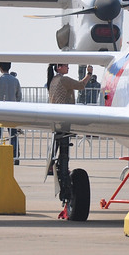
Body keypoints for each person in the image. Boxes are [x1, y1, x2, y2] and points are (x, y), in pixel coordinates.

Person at [46, 63, 94, 201]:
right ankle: (62, 170)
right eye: (66, 66)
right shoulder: (63, 79)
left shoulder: (53, 80)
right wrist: (89, 74)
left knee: (58, 143)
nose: (68, 68)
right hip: (64, 117)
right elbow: (80, 85)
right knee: (64, 146)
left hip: (56, 117)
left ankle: (54, 166)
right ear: (59, 67)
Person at [0, 62, 22, 162]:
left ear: (0, 67)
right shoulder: (15, 80)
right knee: (13, 134)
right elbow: (19, 96)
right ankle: (15, 155)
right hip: (12, 110)